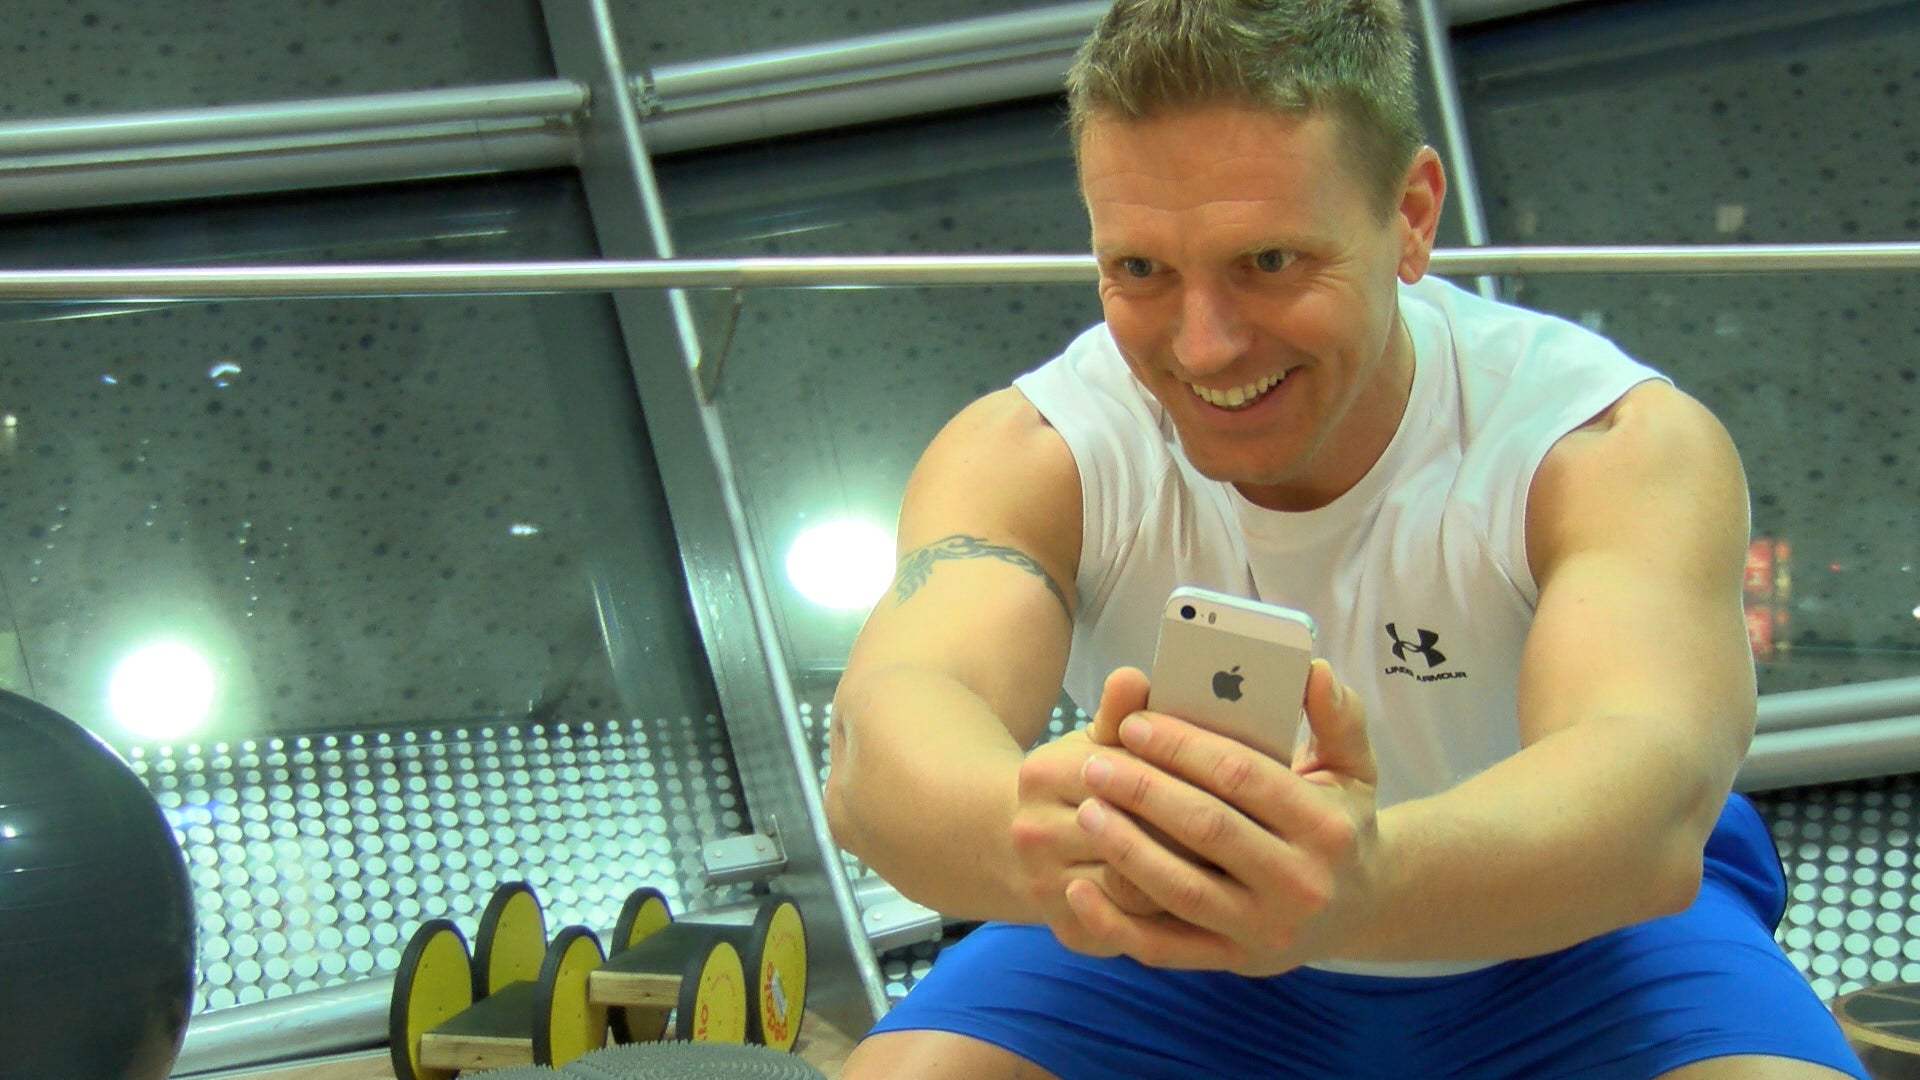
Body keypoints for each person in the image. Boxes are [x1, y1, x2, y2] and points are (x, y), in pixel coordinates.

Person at [820, 1, 1867, 1077]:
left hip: (1569, 937)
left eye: (1268, 260)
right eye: (1139, 269)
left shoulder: (1600, 447)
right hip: (1175, 931)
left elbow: (1646, 795)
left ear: (1410, 216)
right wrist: (1034, 828)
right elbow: (882, 734)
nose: (1203, 347)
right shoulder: (1040, 451)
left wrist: (1358, 880)